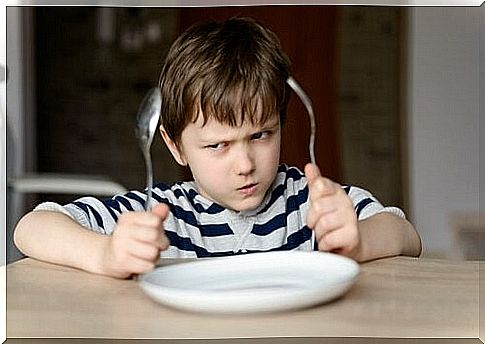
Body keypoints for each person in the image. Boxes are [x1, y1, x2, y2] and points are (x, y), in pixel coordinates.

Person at [14, 17, 422, 279]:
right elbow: (30, 228)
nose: (244, 164)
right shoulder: (160, 214)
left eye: (261, 135)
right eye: (217, 145)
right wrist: (106, 254)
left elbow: (405, 234)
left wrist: (359, 243)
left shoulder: (313, 205)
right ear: (175, 147)